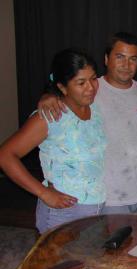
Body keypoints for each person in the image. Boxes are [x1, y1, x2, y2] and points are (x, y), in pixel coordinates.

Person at [37, 32, 137, 216]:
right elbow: (64, 89)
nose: (126, 65)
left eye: (133, 59)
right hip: (109, 200)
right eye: (120, 57)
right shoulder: (90, 91)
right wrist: (49, 95)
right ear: (106, 59)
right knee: (118, 245)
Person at [0, 49, 105, 233]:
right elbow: (5, 155)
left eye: (94, 78)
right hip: (64, 211)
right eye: (81, 82)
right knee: (60, 262)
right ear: (62, 87)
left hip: (97, 206)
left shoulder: (95, 109)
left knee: (88, 260)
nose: (91, 87)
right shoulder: (50, 117)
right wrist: (43, 193)